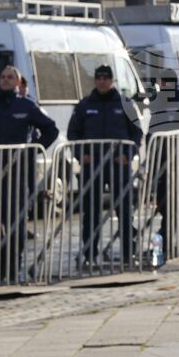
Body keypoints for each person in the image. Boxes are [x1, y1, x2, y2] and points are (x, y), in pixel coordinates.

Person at [0, 65, 58, 284]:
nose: (5, 80)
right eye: (3, 77)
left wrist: (32, 150)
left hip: (18, 176)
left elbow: (51, 130)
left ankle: (14, 268)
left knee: (16, 223)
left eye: (10, 77)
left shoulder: (26, 106)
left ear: (18, 83)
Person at [67, 64, 145, 266]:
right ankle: (89, 255)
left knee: (124, 211)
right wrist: (80, 155)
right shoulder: (85, 105)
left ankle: (129, 253)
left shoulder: (125, 103)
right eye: (98, 77)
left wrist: (129, 154)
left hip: (119, 165)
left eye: (105, 78)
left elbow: (136, 132)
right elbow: (73, 134)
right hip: (92, 166)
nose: (101, 81)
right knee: (91, 213)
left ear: (111, 81)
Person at [147, 71, 179, 259]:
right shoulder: (158, 105)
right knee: (165, 206)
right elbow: (152, 132)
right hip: (162, 166)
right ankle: (169, 241)